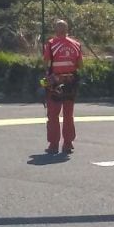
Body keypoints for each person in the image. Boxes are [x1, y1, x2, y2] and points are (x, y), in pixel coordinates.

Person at [42, 19, 83, 154]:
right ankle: (68, 144)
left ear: (55, 30)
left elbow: (46, 63)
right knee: (68, 114)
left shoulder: (51, 44)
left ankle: (53, 145)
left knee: (53, 114)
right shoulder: (76, 44)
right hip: (71, 82)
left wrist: (47, 76)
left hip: (55, 83)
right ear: (67, 30)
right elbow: (80, 65)